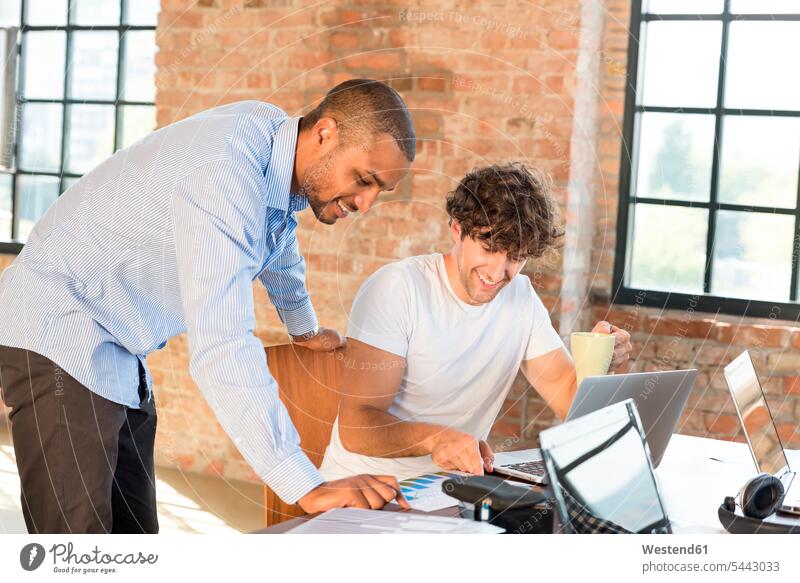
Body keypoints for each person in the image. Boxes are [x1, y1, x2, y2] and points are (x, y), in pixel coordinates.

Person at [0, 78, 415, 533]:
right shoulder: (225, 170)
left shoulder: (270, 139)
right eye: (363, 179)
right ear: (325, 134)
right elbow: (222, 344)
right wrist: (304, 486)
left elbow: (277, 239)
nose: (366, 203)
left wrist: (303, 328)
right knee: (77, 551)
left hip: (116, 344)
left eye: (381, 190)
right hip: (60, 328)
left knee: (134, 542)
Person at [320, 162, 633, 481]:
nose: (498, 274)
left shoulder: (521, 298)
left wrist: (604, 364)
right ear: (457, 228)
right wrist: (437, 439)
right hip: (363, 487)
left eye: (515, 257)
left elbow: (571, 404)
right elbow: (357, 428)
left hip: (451, 488)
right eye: (489, 248)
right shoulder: (397, 289)